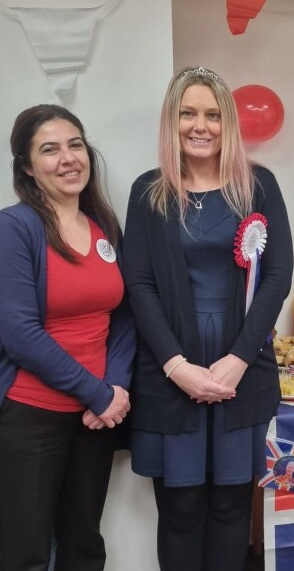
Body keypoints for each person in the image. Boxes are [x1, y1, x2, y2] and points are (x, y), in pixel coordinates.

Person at [123, 66, 293, 571]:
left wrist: (240, 359)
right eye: (188, 113)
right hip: (169, 369)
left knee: (230, 508)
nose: (201, 126)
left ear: (228, 122)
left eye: (213, 115)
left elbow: (277, 274)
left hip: (242, 367)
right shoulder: (147, 192)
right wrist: (176, 365)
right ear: (171, 121)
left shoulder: (258, 185)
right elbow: (139, 284)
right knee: (180, 508)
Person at [0, 105, 134, 571]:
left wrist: (114, 389)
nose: (67, 158)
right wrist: (96, 391)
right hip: (31, 416)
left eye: (75, 145)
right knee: (26, 554)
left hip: (95, 418)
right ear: (27, 167)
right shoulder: (15, 228)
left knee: (84, 546)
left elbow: (123, 317)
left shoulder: (104, 226)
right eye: (49, 149)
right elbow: (18, 333)